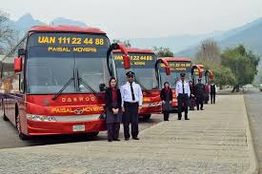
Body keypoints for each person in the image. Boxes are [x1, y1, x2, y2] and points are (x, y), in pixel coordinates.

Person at [120, 71, 143, 140]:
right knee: (126, 121)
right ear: (127, 78)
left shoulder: (137, 86)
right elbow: (122, 97)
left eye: (132, 77)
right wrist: (122, 106)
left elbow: (140, 95)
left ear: (133, 77)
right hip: (127, 104)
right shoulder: (123, 87)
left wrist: (140, 104)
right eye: (129, 77)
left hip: (135, 104)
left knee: (135, 121)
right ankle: (127, 136)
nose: (130, 78)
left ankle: (135, 135)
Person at [105, 77, 122, 142]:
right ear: (110, 83)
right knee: (110, 123)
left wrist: (118, 108)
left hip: (117, 107)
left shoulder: (118, 90)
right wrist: (112, 109)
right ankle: (110, 137)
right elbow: (107, 101)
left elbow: (120, 100)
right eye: (112, 82)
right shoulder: (107, 90)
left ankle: (116, 137)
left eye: (114, 82)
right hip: (110, 108)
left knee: (117, 123)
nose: (113, 83)